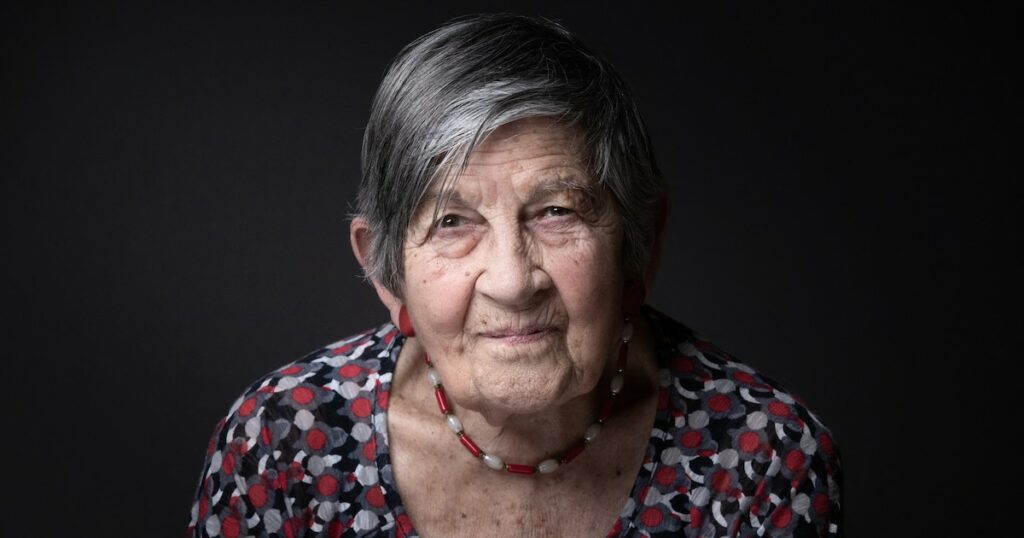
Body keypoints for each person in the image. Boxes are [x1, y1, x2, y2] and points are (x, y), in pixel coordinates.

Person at [188, 14, 842, 537]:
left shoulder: (761, 460)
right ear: (385, 271)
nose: (512, 280)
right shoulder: (281, 448)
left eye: (557, 212)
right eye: (451, 221)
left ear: (642, 243)